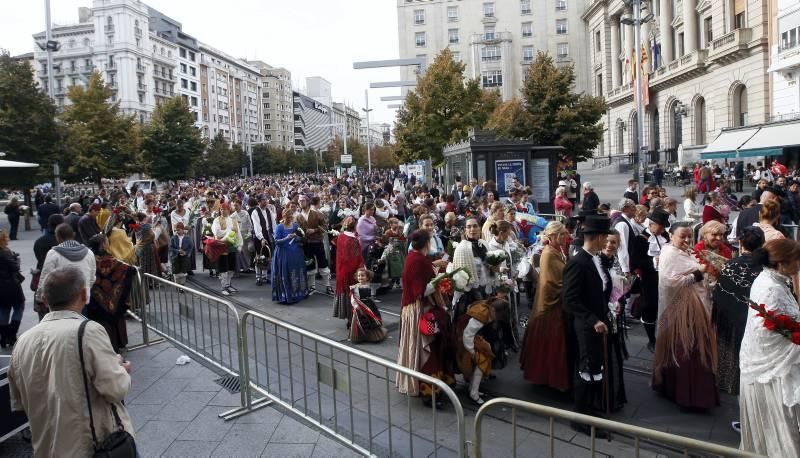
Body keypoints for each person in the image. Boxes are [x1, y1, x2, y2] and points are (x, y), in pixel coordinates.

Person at [8, 266, 134, 458]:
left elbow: (19, 403)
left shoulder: (22, 342)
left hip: (45, 448)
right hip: (92, 447)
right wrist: (120, 369)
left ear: (45, 299)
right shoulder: (88, 331)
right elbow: (116, 388)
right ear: (84, 294)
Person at [739, 239, 800, 456]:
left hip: (769, 366)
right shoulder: (771, 288)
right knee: (782, 430)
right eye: (796, 260)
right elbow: (767, 333)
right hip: (771, 370)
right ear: (782, 264)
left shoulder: (774, 279)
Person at [652, 222, 719, 410]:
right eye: (683, 236)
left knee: (692, 349)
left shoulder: (684, 252)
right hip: (682, 308)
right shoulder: (669, 253)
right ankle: (689, 395)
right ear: (671, 236)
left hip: (694, 304)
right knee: (687, 349)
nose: (687, 240)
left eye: (690, 236)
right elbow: (669, 281)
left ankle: (688, 392)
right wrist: (699, 273)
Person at [562, 215, 613, 435]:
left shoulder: (596, 258)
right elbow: (570, 300)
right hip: (586, 325)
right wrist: (594, 320)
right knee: (588, 368)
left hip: (598, 322)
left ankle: (589, 410)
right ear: (599, 237)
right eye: (606, 238)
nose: (607, 242)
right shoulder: (578, 262)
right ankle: (579, 416)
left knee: (595, 366)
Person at [396, 229, 451, 405]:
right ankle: (428, 390)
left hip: (413, 307)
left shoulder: (414, 257)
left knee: (420, 347)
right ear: (427, 243)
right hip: (419, 308)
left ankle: (422, 384)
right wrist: (440, 280)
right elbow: (421, 291)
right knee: (425, 348)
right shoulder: (419, 260)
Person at [711, 226, 764, 400]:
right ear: (762, 245)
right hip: (753, 321)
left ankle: (725, 382)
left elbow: (719, 295)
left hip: (729, 318)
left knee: (729, 350)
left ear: (741, 244)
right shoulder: (765, 269)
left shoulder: (731, 265)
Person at [520, 221, 570, 392]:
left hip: (556, 302)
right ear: (553, 236)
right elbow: (551, 283)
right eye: (562, 234)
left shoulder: (558, 250)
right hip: (551, 305)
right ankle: (547, 377)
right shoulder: (548, 254)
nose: (565, 236)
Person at [85, 234, 137, 352]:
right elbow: (125, 269)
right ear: (103, 245)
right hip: (111, 300)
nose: (108, 243)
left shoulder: (89, 259)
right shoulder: (110, 260)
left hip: (96, 299)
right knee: (113, 321)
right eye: (107, 242)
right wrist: (131, 270)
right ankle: (116, 344)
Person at [456, 297, 509, 405]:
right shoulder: (480, 317)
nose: (496, 319)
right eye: (497, 317)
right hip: (464, 339)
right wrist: (472, 352)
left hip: (469, 337)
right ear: (494, 311)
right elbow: (467, 334)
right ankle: (473, 393)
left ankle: (472, 390)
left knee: (481, 363)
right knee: (482, 362)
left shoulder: (485, 307)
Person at [37, 223, 96, 308]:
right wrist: (86, 289)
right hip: (82, 298)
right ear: (74, 234)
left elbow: (45, 277)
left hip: (59, 300)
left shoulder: (53, 254)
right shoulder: (89, 253)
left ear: (57, 237)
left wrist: (40, 297)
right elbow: (92, 277)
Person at [451, 217, 491, 318]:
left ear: (480, 228)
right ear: (465, 230)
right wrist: (478, 296)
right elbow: (461, 278)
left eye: (475, 226)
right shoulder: (462, 248)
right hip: (469, 295)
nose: (472, 229)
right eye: (469, 227)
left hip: (486, 289)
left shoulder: (484, 244)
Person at [271, 208, 308, 304]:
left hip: (296, 254)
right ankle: (286, 295)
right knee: (285, 273)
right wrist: (286, 238)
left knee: (296, 272)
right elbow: (276, 241)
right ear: (283, 217)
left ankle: (297, 293)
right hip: (283, 254)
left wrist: (297, 237)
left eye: (291, 217)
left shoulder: (295, 226)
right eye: (287, 217)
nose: (289, 219)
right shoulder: (279, 227)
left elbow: (301, 238)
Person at [297, 194, 332, 294]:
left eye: (303, 200)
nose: (300, 202)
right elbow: (297, 231)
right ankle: (312, 286)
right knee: (310, 265)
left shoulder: (317, 213)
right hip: (306, 244)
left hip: (317, 242)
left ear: (308, 202)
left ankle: (328, 286)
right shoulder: (298, 217)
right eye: (299, 201)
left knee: (323, 264)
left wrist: (314, 230)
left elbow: (325, 226)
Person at [32, 214, 64, 320]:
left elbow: (39, 258)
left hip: (42, 277)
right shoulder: (61, 243)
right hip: (61, 280)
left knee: (43, 316)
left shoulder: (39, 242)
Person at [333, 216, 364, 323]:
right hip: (352, 272)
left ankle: (348, 318)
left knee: (345, 294)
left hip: (341, 270)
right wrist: (361, 268)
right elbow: (357, 257)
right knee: (353, 296)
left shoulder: (341, 236)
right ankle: (353, 320)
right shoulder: (354, 240)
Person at [348, 267, 388, 343]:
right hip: (360, 307)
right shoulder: (355, 287)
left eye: (363, 276)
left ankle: (373, 337)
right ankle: (360, 337)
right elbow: (353, 299)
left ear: (367, 277)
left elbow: (370, 296)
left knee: (372, 321)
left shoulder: (369, 285)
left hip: (369, 305)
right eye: (359, 276)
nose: (360, 277)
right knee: (361, 322)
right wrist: (356, 306)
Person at [0, 230, 24, 348]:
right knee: (19, 307)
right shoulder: (5, 252)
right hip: (12, 286)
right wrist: (16, 259)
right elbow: (15, 267)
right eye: (6, 238)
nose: (8, 239)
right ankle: (12, 333)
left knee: (4, 310)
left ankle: (3, 337)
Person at [212, 203, 242, 296]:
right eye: (221, 209)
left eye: (224, 209)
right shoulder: (217, 220)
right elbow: (217, 232)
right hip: (222, 246)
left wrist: (240, 244)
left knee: (231, 267)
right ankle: (223, 287)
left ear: (228, 210)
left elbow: (238, 232)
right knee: (223, 268)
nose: (222, 211)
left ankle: (228, 285)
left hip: (232, 246)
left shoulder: (233, 220)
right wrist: (229, 230)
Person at [169, 222, 193, 287]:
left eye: (178, 230)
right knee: (176, 271)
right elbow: (170, 248)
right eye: (176, 230)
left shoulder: (188, 238)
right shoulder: (173, 238)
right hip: (175, 256)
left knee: (183, 271)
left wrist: (186, 253)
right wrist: (178, 251)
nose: (177, 232)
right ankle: (177, 284)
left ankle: (182, 286)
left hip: (184, 257)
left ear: (182, 229)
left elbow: (190, 247)